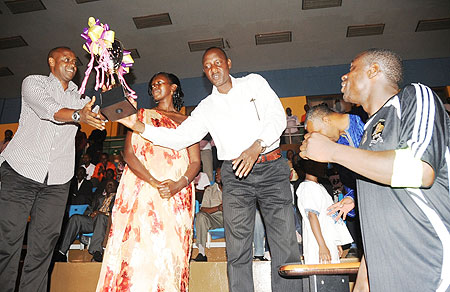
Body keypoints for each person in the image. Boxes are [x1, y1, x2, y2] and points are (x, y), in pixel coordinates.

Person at [119, 47, 302, 292]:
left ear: (228, 63)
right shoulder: (206, 107)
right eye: (207, 66)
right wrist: (140, 127)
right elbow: (179, 137)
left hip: (270, 166)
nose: (213, 69)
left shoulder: (254, 83)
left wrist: (256, 146)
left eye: (217, 63)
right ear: (204, 73)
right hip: (236, 176)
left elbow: (276, 117)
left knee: (284, 244)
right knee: (237, 250)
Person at [300, 48, 450, 291]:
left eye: (352, 68)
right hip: (385, 276)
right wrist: (364, 279)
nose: (343, 77)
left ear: (374, 70)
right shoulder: (366, 136)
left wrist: (333, 152)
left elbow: (421, 170)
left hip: (428, 269)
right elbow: (379, 216)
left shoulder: (414, 97)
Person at [0, 46, 105, 292]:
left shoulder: (78, 97)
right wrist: (80, 115)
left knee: (43, 247)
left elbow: (97, 113)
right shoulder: (34, 83)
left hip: (58, 181)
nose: (72, 64)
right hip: (20, 172)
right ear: (51, 61)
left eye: (75, 61)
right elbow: (51, 110)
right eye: (65, 59)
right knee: (7, 241)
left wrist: (114, 95)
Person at [96, 72, 201, 291]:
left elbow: (195, 162)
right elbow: (129, 154)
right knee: (141, 252)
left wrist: (178, 184)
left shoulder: (189, 122)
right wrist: (154, 182)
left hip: (178, 195)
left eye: (159, 83)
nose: (154, 87)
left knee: (171, 253)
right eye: (152, 85)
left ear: (173, 88)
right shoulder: (141, 115)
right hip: (146, 191)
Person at [296, 160, 353, 264]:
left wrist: (336, 242)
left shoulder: (320, 187)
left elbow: (329, 217)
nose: (324, 166)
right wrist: (322, 246)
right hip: (319, 247)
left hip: (329, 242)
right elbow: (312, 216)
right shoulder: (308, 187)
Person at [55, 179, 117, 262]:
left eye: (112, 185)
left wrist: (100, 213)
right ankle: (62, 252)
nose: (109, 186)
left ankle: (96, 252)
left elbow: (117, 214)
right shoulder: (99, 198)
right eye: (108, 184)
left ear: (116, 187)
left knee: (100, 217)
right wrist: (89, 214)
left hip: (107, 222)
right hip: (93, 221)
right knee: (75, 218)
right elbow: (89, 209)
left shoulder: (118, 199)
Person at [193, 166, 223, 262]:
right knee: (200, 216)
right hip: (214, 219)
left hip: (232, 218)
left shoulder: (234, 189)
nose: (217, 176)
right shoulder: (210, 190)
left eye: (220, 174)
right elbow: (203, 209)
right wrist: (218, 208)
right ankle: (202, 253)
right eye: (217, 174)